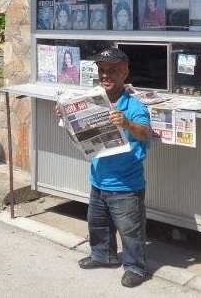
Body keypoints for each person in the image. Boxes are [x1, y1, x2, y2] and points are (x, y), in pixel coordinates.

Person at [64, 47, 152, 288]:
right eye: (102, 70)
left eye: (113, 71)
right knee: (98, 224)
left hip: (126, 185)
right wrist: (66, 116)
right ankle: (103, 256)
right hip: (98, 179)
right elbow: (82, 137)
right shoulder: (93, 102)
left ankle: (136, 267)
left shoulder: (134, 106)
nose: (106, 75)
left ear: (125, 73)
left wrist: (127, 123)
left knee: (130, 230)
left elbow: (145, 134)